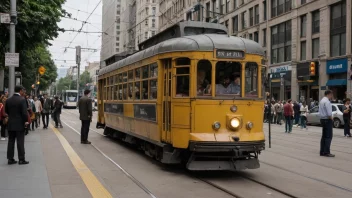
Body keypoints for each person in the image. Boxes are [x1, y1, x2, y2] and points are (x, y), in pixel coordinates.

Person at [6, 86, 29, 165]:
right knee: (20, 142)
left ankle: (10, 159)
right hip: (19, 124)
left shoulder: (8, 100)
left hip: (11, 124)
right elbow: (24, 113)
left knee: (11, 141)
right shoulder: (22, 100)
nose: (23, 92)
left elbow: (7, 111)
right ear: (20, 91)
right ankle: (21, 159)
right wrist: (25, 121)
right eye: (23, 91)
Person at [319, 90, 335, 157]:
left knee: (324, 136)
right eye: (331, 95)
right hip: (327, 120)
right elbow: (329, 113)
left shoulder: (321, 101)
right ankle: (326, 152)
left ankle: (322, 151)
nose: (332, 96)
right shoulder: (327, 102)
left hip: (322, 119)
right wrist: (332, 119)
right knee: (328, 136)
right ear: (329, 94)